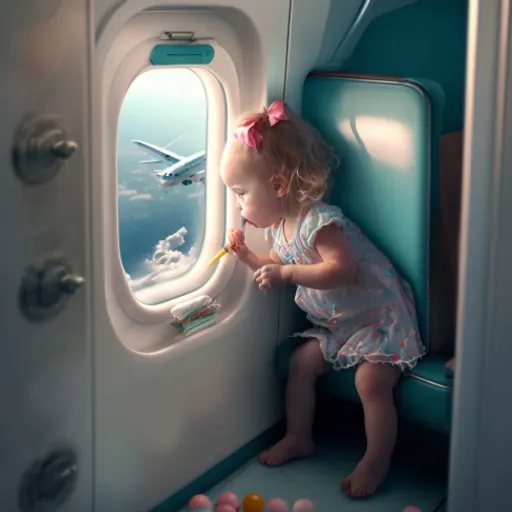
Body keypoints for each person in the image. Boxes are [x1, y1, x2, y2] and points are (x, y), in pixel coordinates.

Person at [220, 100, 426, 498]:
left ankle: (376, 458)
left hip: (377, 316)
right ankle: (300, 437)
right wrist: (247, 256)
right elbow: (273, 264)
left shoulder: (320, 221)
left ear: (278, 186)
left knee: (371, 382)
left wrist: (287, 273)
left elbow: (342, 271)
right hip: (339, 323)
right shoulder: (281, 228)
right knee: (301, 363)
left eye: (242, 194)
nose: (239, 205)